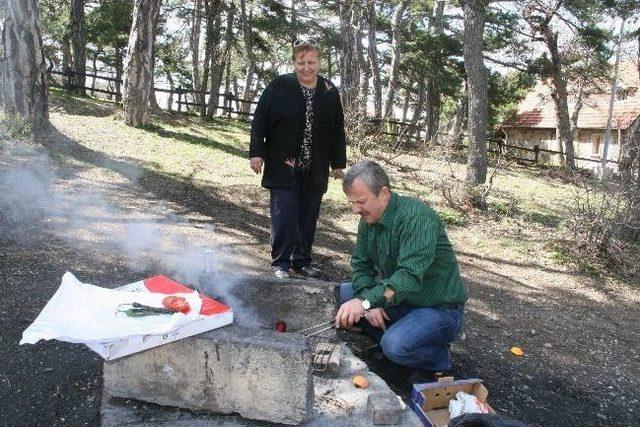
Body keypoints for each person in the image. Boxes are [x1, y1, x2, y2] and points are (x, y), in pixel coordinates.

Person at [335, 160, 467, 375]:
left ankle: (437, 358)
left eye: (360, 201)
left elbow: (408, 279)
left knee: (395, 346)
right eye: (352, 203)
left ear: (384, 193)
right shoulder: (368, 218)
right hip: (395, 296)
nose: (355, 210)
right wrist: (367, 300)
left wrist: (367, 301)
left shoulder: (417, 218)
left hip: (437, 308)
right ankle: (395, 334)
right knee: (339, 297)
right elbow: (360, 265)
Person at [249, 39, 346, 279]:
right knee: (285, 214)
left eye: (311, 62)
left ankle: (301, 260)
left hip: (316, 166)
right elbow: (260, 119)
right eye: (301, 62)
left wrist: (338, 162)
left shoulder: (328, 90)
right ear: (294, 63)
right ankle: (280, 263)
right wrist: (256, 153)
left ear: (319, 62)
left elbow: (337, 127)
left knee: (308, 215)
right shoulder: (279, 86)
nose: (306, 67)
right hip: (284, 164)